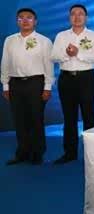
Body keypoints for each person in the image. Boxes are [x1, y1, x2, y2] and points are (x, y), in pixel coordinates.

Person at [1, 8, 54, 165]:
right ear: (17, 21)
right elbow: (5, 63)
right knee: (19, 119)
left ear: (35, 21)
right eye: (21, 18)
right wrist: (5, 85)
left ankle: (37, 153)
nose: (25, 20)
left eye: (29, 17)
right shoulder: (10, 40)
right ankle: (22, 153)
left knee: (36, 118)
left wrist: (48, 87)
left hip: (36, 83)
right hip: (15, 83)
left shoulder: (44, 41)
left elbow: (49, 65)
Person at [51, 4, 94, 164]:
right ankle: (70, 153)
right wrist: (67, 54)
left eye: (81, 14)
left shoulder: (93, 35)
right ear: (69, 17)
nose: (77, 17)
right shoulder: (61, 36)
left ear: (86, 17)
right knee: (69, 117)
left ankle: (92, 154)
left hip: (87, 78)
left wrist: (78, 53)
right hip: (66, 79)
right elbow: (54, 56)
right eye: (73, 14)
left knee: (89, 116)